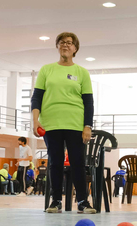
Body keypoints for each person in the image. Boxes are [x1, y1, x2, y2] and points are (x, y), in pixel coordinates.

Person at [31, 32, 97, 214]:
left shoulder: (81, 72)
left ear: (75, 48)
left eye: (69, 43)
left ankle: (83, 201)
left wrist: (87, 126)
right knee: (55, 162)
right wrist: (35, 120)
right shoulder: (47, 70)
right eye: (61, 42)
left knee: (77, 162)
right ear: (57, 46)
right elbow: (36, 98)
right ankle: (56, 201)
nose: (65, 45)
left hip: (75, 124)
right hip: (51, 123)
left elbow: (88, 102)